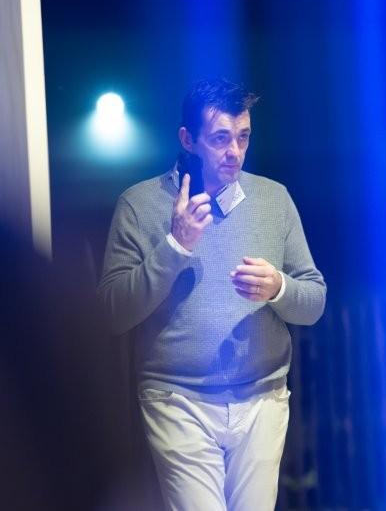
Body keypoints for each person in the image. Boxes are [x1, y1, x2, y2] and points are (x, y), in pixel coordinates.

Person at [97, 78, 326, 510]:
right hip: (177, 399)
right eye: (221, 138)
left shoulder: (274, 199)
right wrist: (175, 245)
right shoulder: (139, 204)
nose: (234, 151)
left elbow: (314, 302)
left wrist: (279, 286)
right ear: (188, 140)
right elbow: (112, 313)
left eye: (243, 137)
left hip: (263, 398)